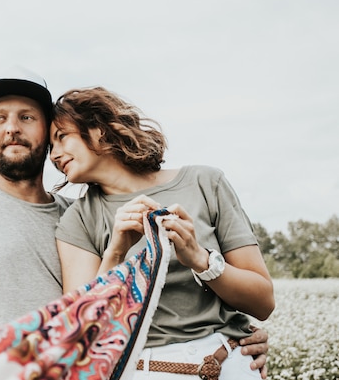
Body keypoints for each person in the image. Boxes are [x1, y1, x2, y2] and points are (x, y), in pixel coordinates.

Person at [0, 67, 271, 377]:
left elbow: (252, 298)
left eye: (28, 118)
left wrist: (232, 336)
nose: (12, 129)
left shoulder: (74, 213)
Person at [49, 86, 275, 379]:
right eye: (50, 148)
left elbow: (263, 302)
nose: (54, 155)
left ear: (98, 129)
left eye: (61, 137)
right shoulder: (77, 219)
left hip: (232, 362)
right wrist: (115, 253)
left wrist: (200, 259)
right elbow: (85, 333)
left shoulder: (206, 182)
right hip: (147, 369)